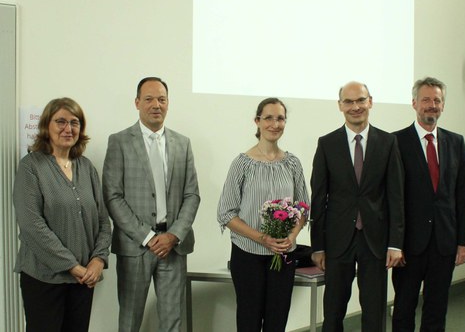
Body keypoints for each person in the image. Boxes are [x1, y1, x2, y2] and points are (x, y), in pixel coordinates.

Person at [103, 77, 200, 332]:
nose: (156, 105)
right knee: (129, 321)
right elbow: (112, 196)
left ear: (168, 103)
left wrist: (174, 235)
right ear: (137, 103)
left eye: (162, 99)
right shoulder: (119, 142)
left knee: (173, 322)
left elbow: (192, 195)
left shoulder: (183, 143)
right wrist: (147, 237)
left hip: (173, 247)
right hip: (136, 247)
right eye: (149, 99)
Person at [310, 81, 404, 332]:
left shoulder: (388, 142)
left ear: (370, 102)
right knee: (333, 311)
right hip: (337, 239)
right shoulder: (327, 144)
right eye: (349, 102)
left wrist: (395, 242)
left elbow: (396, 196)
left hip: (375, 240)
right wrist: (317, 245)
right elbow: (318, 198)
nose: (356, 107)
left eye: (361, 100)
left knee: (374, 312)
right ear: (340, 106)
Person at [13, 97, 111, 332]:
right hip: (43, 278)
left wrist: (98, 260)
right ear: (47, 126)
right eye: (61, 122)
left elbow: (102, 221)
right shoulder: (31, 166)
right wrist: (72, 266)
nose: (68, 129)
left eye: (74, 122)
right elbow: (32, 226)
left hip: (83, 281)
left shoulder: (86, 167)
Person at [217, 97, 310, 332]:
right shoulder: (242, 164)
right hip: (248, 256)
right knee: (249, 322)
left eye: (280, 118)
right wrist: (262, 238)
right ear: (257, 121)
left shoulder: (292, 163)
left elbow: (303, 207)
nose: (274, 124)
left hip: (284, 255)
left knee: (277, 322)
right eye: (268, 118)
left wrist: (292, 236)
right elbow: (226, 212)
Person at [391, 77, 465, 332]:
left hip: (444, 244)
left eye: (437, 100)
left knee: (437, 309)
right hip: (409, 247)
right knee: (403, 309)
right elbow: (392, 197)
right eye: (426, 99)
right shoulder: (396, 142)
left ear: (443, 106)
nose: (431, 105)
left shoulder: (456, 142)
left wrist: (464, 241)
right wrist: (394, 243)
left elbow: (463, 194)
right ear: (414, 103)